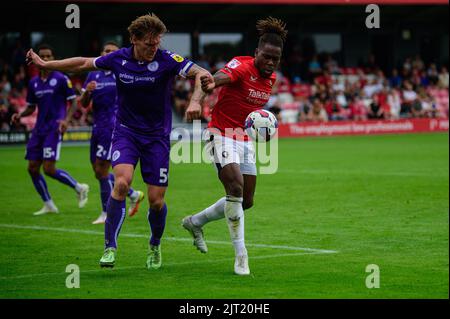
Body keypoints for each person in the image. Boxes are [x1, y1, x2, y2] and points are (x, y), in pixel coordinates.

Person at [26, 13, 213, 269]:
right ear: (134, 40)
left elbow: (202, 73)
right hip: (126, 133)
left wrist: (194, 101)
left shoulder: (166, 59)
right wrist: (46, 65)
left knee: (156, 200)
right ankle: (110, 248)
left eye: (156, 42)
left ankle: (155, 244)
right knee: (121, 183)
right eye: (148, 43)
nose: (153, 48)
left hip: (157, 138)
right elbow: (82, 63)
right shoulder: (118, 58)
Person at [182, 17, 287, 276]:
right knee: (235, 188)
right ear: (256, 53)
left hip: (243, 140)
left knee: (245, 201)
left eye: (276, 58)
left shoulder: (270, 78)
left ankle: (195, 222)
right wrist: (208, 87)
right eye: (266, 56)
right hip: (219, 134)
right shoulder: (241, 65)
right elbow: (221, 77)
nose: (271, 62)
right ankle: (241, 256)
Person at [11, 44, 89, 215]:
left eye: (48, 56)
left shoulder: (61, 78)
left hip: (54, 129)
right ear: (37, 59)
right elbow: (31, 107)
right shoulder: (34, 83)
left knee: (48, 169)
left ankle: (79, 187)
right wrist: (20, 115)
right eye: (43, 56)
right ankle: (48, 204)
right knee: (32, 168)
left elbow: (74, 101)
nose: (46, 59)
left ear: (53, 59)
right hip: (38, 130)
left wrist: (66, 121)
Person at [79, 41, 144, 225]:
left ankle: (107, 212)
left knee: (102, 170)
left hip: (115, 128)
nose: (109, 53)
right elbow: (83, 104)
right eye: (106, 51)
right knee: (98, 171)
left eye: (112, 52)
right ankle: (133, 194)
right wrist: (86, 93)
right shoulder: (93, 74)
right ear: (101, 53)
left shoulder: (123, 72)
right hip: (97, 128)